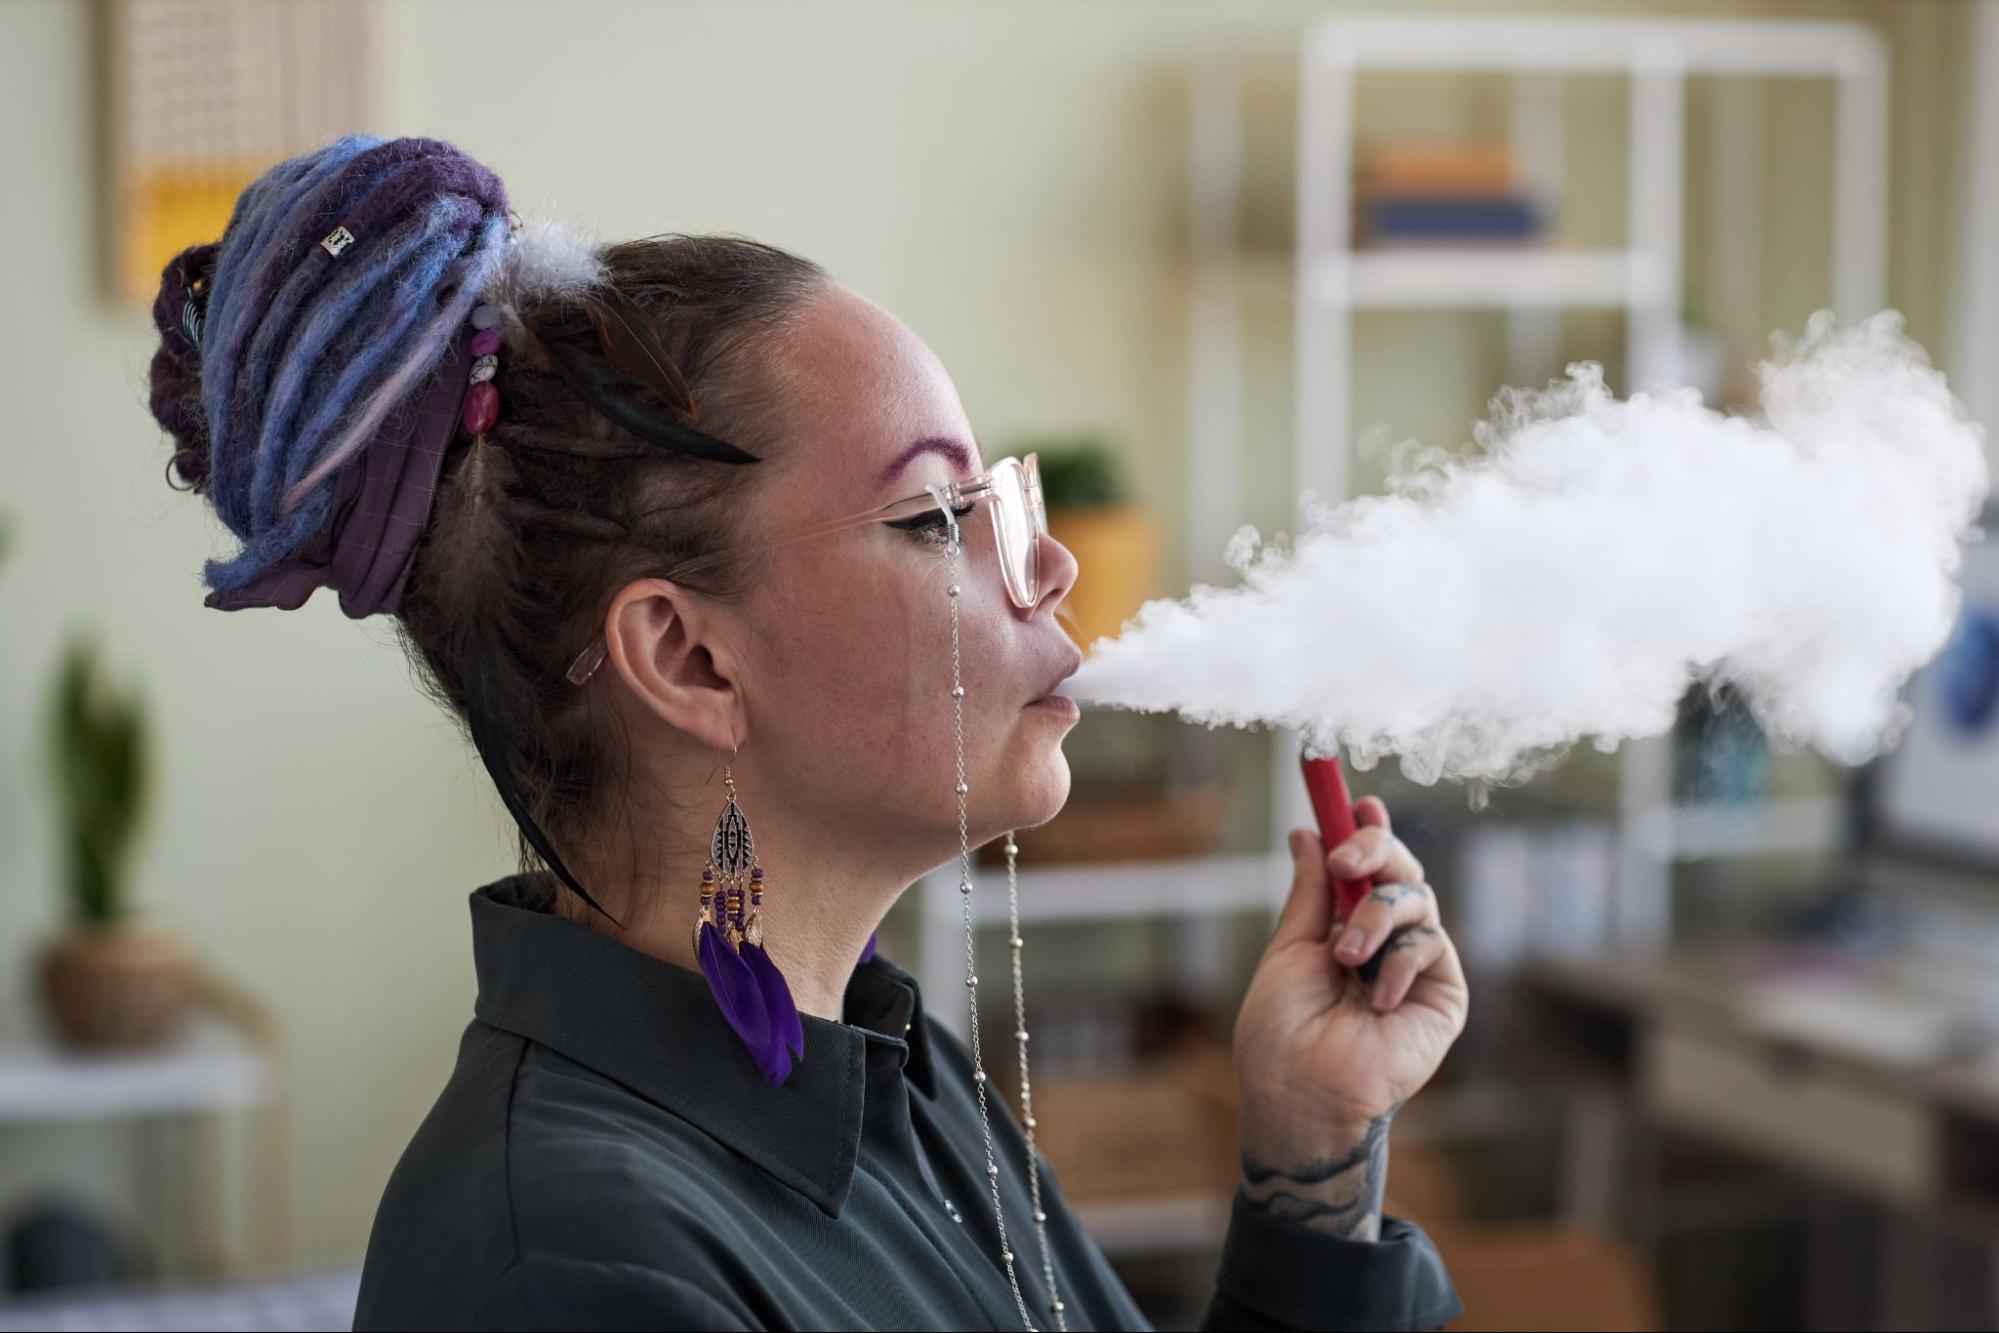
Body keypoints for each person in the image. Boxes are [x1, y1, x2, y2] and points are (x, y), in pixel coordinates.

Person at [148, 134, 1468, 1331]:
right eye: (937, 518)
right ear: (687, 656)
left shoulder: (898, 1079)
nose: (1052, 563)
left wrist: (1313, 1155)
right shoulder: (572, 1270)